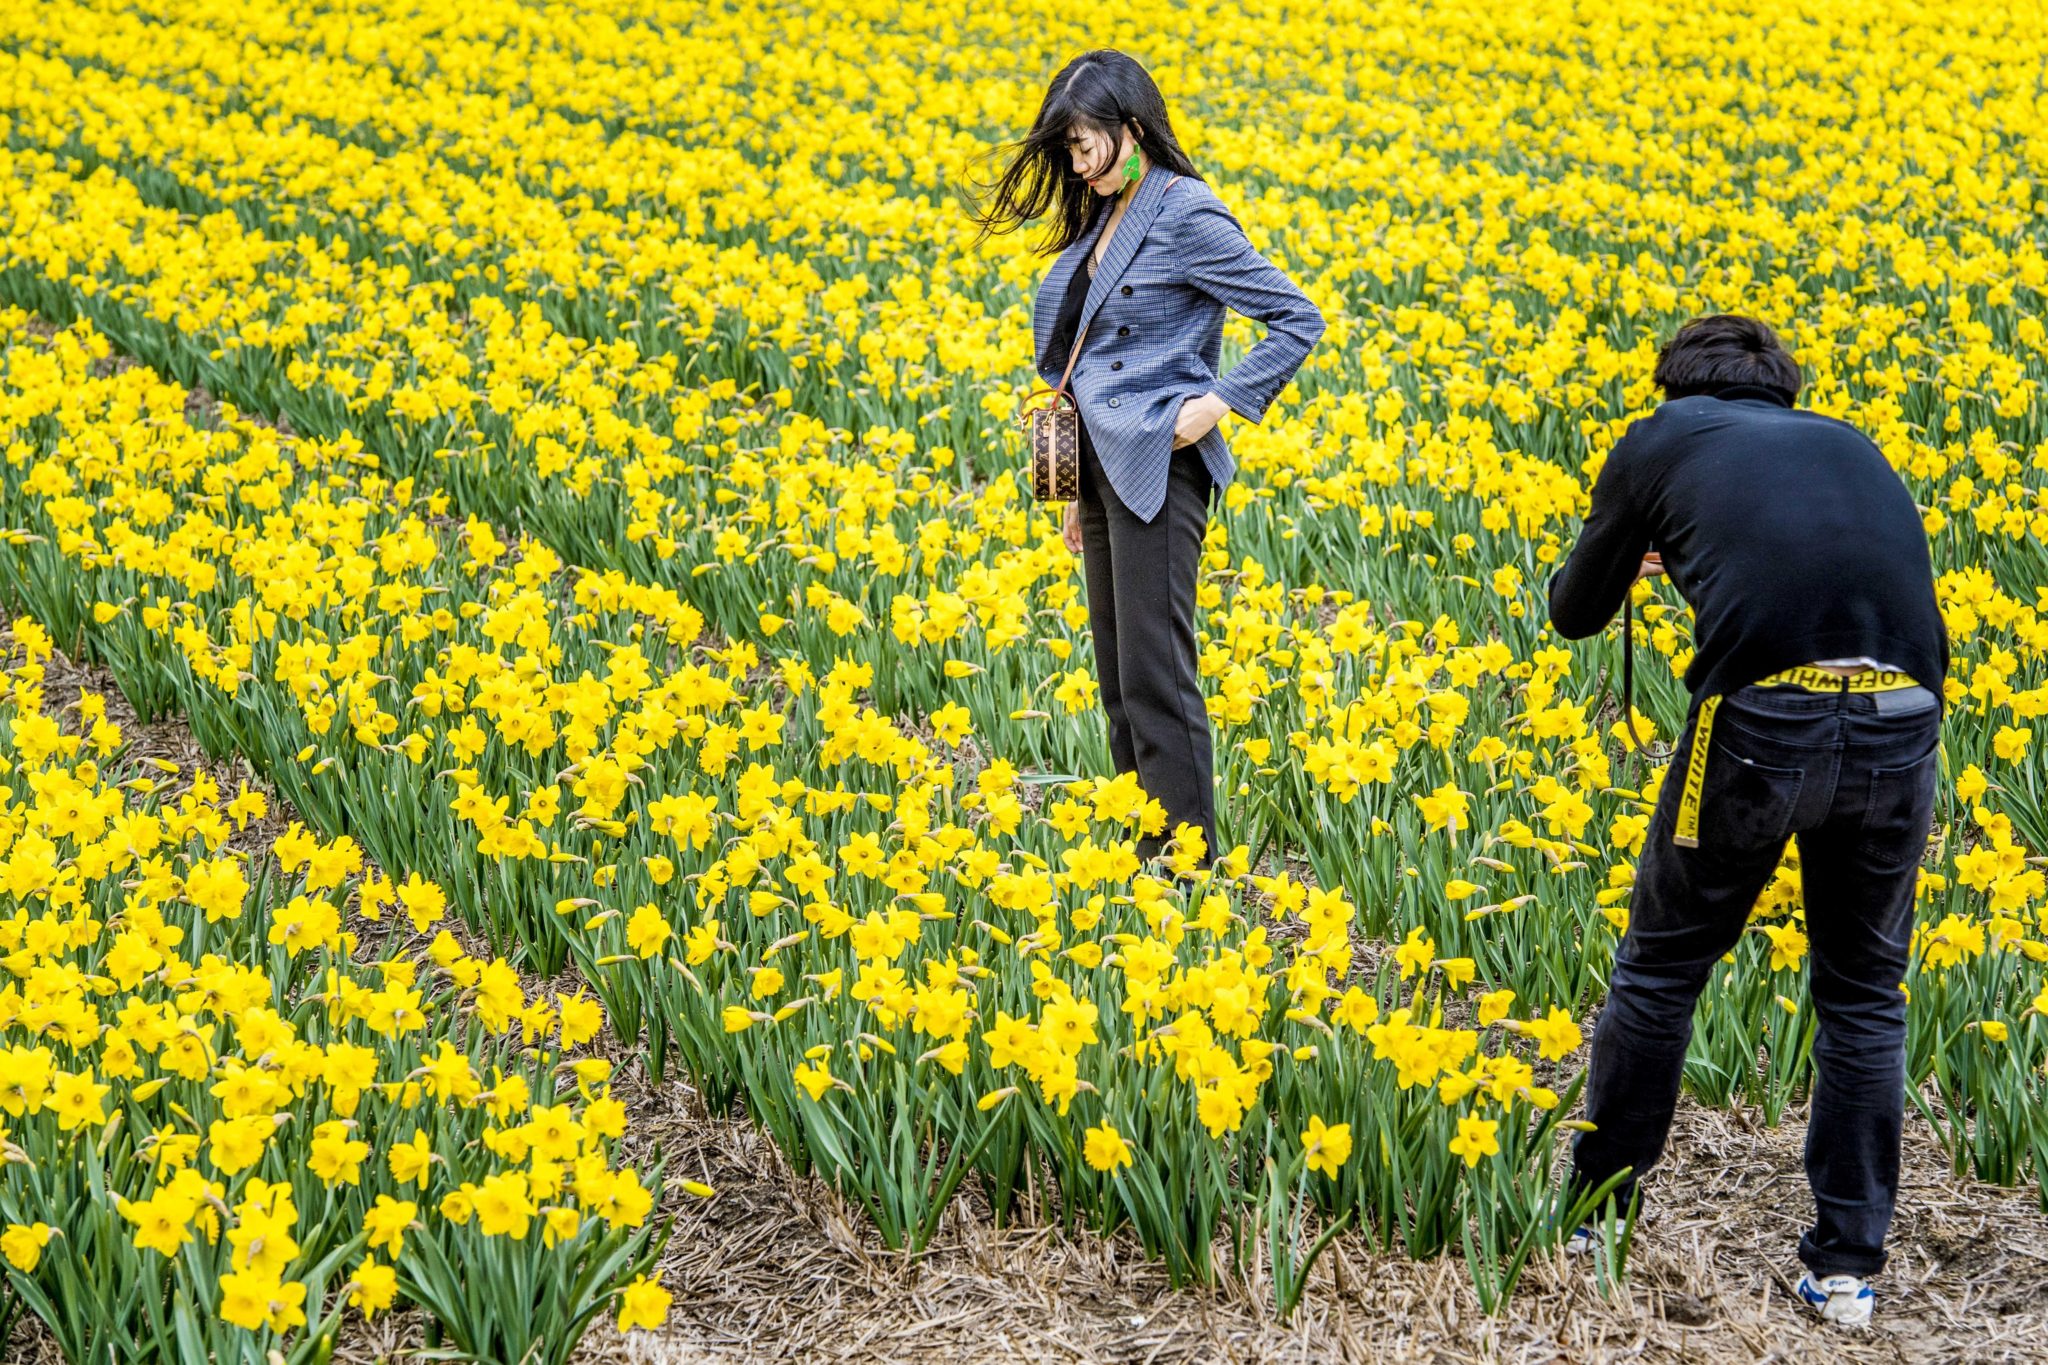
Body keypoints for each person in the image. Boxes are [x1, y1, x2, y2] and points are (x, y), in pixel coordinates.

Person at [1545, 314, 1949, 1327]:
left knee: (1662, 962)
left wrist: (1636, 546)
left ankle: (1596, 1216)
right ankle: (1847, 1271)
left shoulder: (1659, 438)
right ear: (1782, 389)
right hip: (1904, 716)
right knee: (1862, 995)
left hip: (1764, 721)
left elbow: (1572, 609)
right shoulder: (1847, 441)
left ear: (1671, 386)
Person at [964, 50, 1325, 872]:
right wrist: (1070, 488)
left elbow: (1296, 317)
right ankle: (1149, 840)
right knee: (1118, 674)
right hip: (1101, 467)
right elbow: (1085, 361)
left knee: (1158, 672)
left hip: (1164, 469)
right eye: (1067, 151)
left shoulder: (1183, 212)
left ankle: (1189, 860)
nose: (1077, 165)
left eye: (1086, 144)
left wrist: (1220, 401)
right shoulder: (1108, 210)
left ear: (1132, 127)